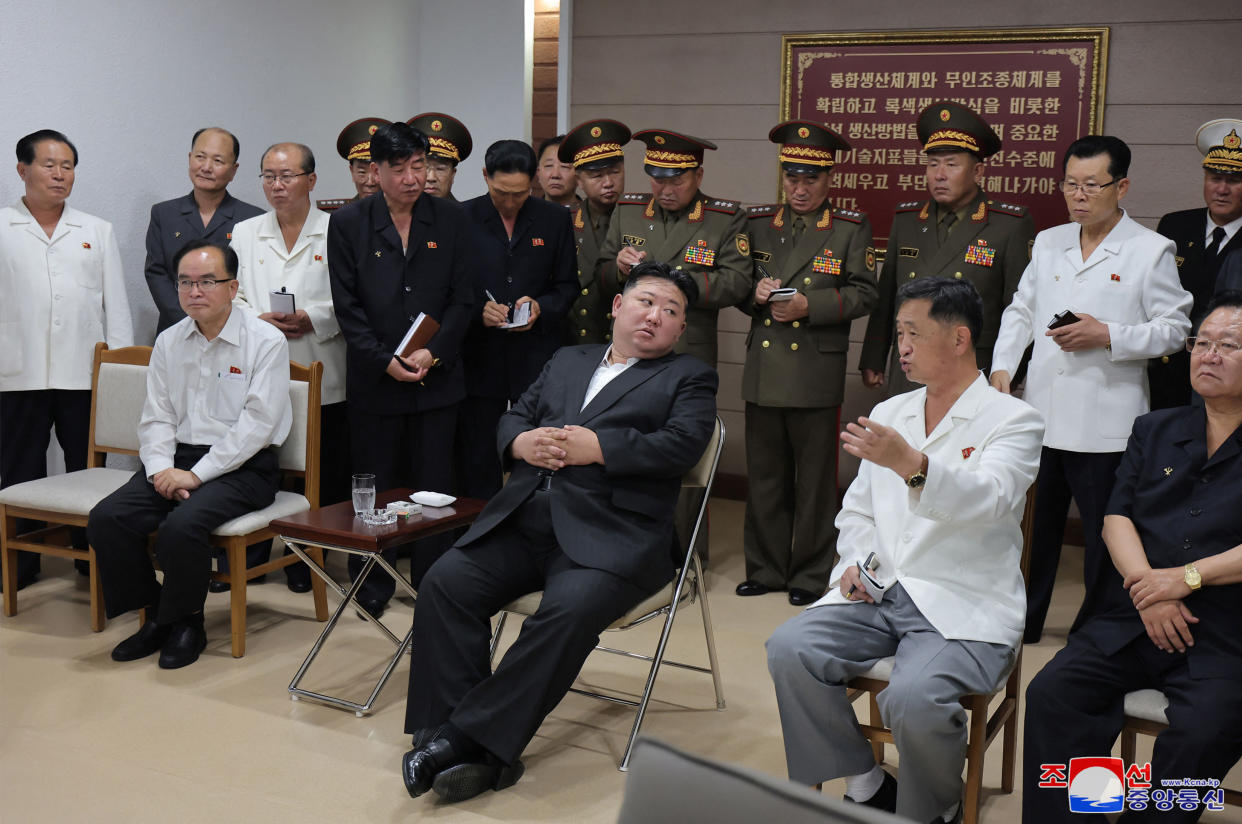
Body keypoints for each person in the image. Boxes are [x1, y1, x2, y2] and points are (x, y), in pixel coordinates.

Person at [401, 261, 717, 803]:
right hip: (526, 518)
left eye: (671, 312)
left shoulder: (688, 376)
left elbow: (683, 446)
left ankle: (461, 740)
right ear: (617, 306)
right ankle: (469, 744)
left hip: (612, 535)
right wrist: (520, 445)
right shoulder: (569, 359)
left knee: (563, 615)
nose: (655, 317)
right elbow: (515, 416)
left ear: (680, 330)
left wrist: (602, 449)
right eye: (646, 302)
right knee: (445, 582)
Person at [766, 277, 1043, 824]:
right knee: (789, 649)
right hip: (881, 589)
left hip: (962, 602)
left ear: (960, 339)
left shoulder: (1014, 419)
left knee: (913, 699)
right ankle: (867, 784)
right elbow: (859, 510)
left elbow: (989, 500)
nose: (903, 348)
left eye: (914, 334)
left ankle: (932, 810)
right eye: (899, 334)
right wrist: (853, 562)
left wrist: (913, 467)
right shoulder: (893, 410)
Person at [1023, 291, 1242, 824]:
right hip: (1135, 611)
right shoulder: (1155, 428)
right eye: (1201, 342)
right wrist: (1149, 587)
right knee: (1054, 695)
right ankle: (1083, 813)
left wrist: (1184, 580)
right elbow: (1116, 517)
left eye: (1228, 345)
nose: (1208, 355)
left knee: (1204, 735)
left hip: (1224, 630)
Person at [991, 135, 1193, 644]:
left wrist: (1109, 335)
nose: (1079, 196)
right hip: (1041, 413)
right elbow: (1021, 310)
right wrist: (1002, 368)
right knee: (1033, 528)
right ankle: (1025, 621)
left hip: (1106, 422)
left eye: (1092, 185)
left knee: (1107, 534)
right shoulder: (1050, 240)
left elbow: (1174, 329)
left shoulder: (1151, 250)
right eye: (1070, 185)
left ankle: (1097, 629)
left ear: (1121, 186)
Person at [87, 240, 291, 669]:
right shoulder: (169, 341)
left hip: (244, 465)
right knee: (108, 519)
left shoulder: (265, 341)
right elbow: (156, 415)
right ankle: (159, 614)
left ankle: (188, 623)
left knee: (182, 526)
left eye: (207, 282)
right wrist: (162, 469)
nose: (194, 291)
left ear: (233, 287)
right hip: (176, 458)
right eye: (185, 282)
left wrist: (195, 476)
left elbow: (256, 426)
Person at [327, 122, 476, 618]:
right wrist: (383, 360)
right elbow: (347, 308)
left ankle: (434, 583)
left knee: (435, 484)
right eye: (400, 168)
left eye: (421, 166)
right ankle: (373, 583)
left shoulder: (451, 220)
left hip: (438, 377)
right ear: (376, 170)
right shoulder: (349, 223)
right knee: (378, 488)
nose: (414, 178)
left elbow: (464, 299)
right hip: (376, 381)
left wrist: (434, 354)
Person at [736, 120, 878, 606]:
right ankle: (765, 567)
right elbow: (738, 283)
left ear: (829, 178)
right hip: (766, 369)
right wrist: (752, 296)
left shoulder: (848, 229)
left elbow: (865, 292)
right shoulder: (757, 224)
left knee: (815, 480)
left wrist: (809, 308)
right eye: (791, 178)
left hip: (815, 368)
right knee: (766, 476)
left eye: (810, 179)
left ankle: (810, 571)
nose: (799, 188)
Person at [1, 129, 133, 592]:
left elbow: (114, 306)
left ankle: (87, 552)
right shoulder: (2, 226)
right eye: (49, 165)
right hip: (17, 371)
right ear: (23, 170)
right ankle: (22, 559)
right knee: (20, 466)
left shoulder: (96, 230)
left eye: (68, 166)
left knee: (86, 465)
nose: (60, 174)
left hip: (84, 371)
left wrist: (119, 370)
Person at [231, 142, 347, 593]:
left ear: (312, 181)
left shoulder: (337, 230)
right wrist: (258, 320)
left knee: (319, 470)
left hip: (323, 365)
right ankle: (254, 551)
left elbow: (353, 298)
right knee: (262, 465)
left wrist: (312, 317)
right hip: (263, 368)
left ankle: (307, 558)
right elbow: (233, 295)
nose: (277, 186)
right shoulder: (244, 233)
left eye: (287, 176)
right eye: (269, 177)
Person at [859, 101, 1035, 396]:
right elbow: (887, 294)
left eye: (951, 164)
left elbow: (1019, 307)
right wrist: (873, 356)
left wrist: (1012, 370)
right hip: (910, 365)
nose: (939, 175)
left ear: (977, 170)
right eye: (932, 164)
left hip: (973, 370)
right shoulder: (907, 220)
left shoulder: (1009, 224)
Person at [457, 140, 576, 499]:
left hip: (536, 355)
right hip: (480, 355)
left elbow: (569, 286)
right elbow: (449, 288)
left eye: (520, 194)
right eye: (501, 193)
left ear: (533, 184)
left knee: (538, 450)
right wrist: (478, 310)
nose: (510, 203)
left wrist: (541, 307)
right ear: (484, 177)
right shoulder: (461, 218)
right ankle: (480, 535)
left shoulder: (554, 219)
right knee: (479, 453)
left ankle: (531, 531)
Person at [596, 128, 753, 369]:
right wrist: (619, 269)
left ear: (698, 176)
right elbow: (602, 275)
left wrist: (677, 284)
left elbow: (738, 281)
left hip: (687, 348)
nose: (666, 191)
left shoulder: (724, 219)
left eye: (677, 181)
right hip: (629, 346)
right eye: (658, 180)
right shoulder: (628, 212)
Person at [1148, 118, 1242, 409]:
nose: (1221, 189)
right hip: (1166, 372)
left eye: (1234, 180)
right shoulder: (1175, 225)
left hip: (1226, 380)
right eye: (1215, 178)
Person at [144, 127, 263, 334]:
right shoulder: (164, 214)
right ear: (190, 158)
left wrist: (219, 323)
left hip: (234, 331)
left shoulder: (253, 219)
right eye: (200, 157)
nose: (206, 167)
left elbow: (252, 282)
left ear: (234, 170)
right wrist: (189, 321)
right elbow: (157, 274)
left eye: (218, 161)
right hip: (175, 330)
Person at [558, 118, 630, 344]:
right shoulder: (563, 221)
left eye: (615, 172)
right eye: (597, 176)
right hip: (577, 338)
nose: (608, 182)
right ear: (578, 181)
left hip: (626, 340)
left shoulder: (642, 219)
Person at [318, 117, 390, 212]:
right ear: (352, 171)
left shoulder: (407, 215)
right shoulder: (336, 216)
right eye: (362, 172)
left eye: (377, 172)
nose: (370, 182)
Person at [407, 113, 472, 202]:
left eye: (440, 169)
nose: (431, 178)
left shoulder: (465, 215)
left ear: (452, 175)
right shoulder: (390, 213)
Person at [535, 134, 578, 207]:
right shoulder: (524, 215)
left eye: (564, 166)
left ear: (579, 175)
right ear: (538, 173)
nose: (555, 175)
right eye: (548, 165)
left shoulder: (591, 215)